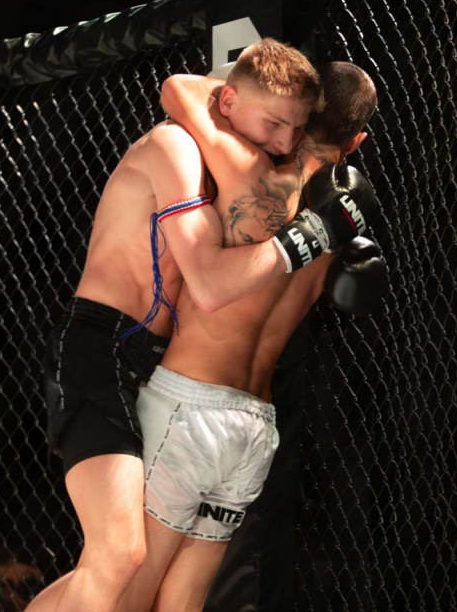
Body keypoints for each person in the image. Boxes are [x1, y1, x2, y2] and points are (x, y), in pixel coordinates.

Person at [25, 40, 380, 612]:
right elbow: (180, 93)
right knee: (129, 572)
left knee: (122, 579)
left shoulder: (245, 171)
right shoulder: (341, 224)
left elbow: (180, 89)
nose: (280, 140)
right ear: (357, 140)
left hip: (189, 399)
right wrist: (312, 236)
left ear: (306, 117)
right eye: (273, 124)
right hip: (249, 421)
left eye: (289, 128)